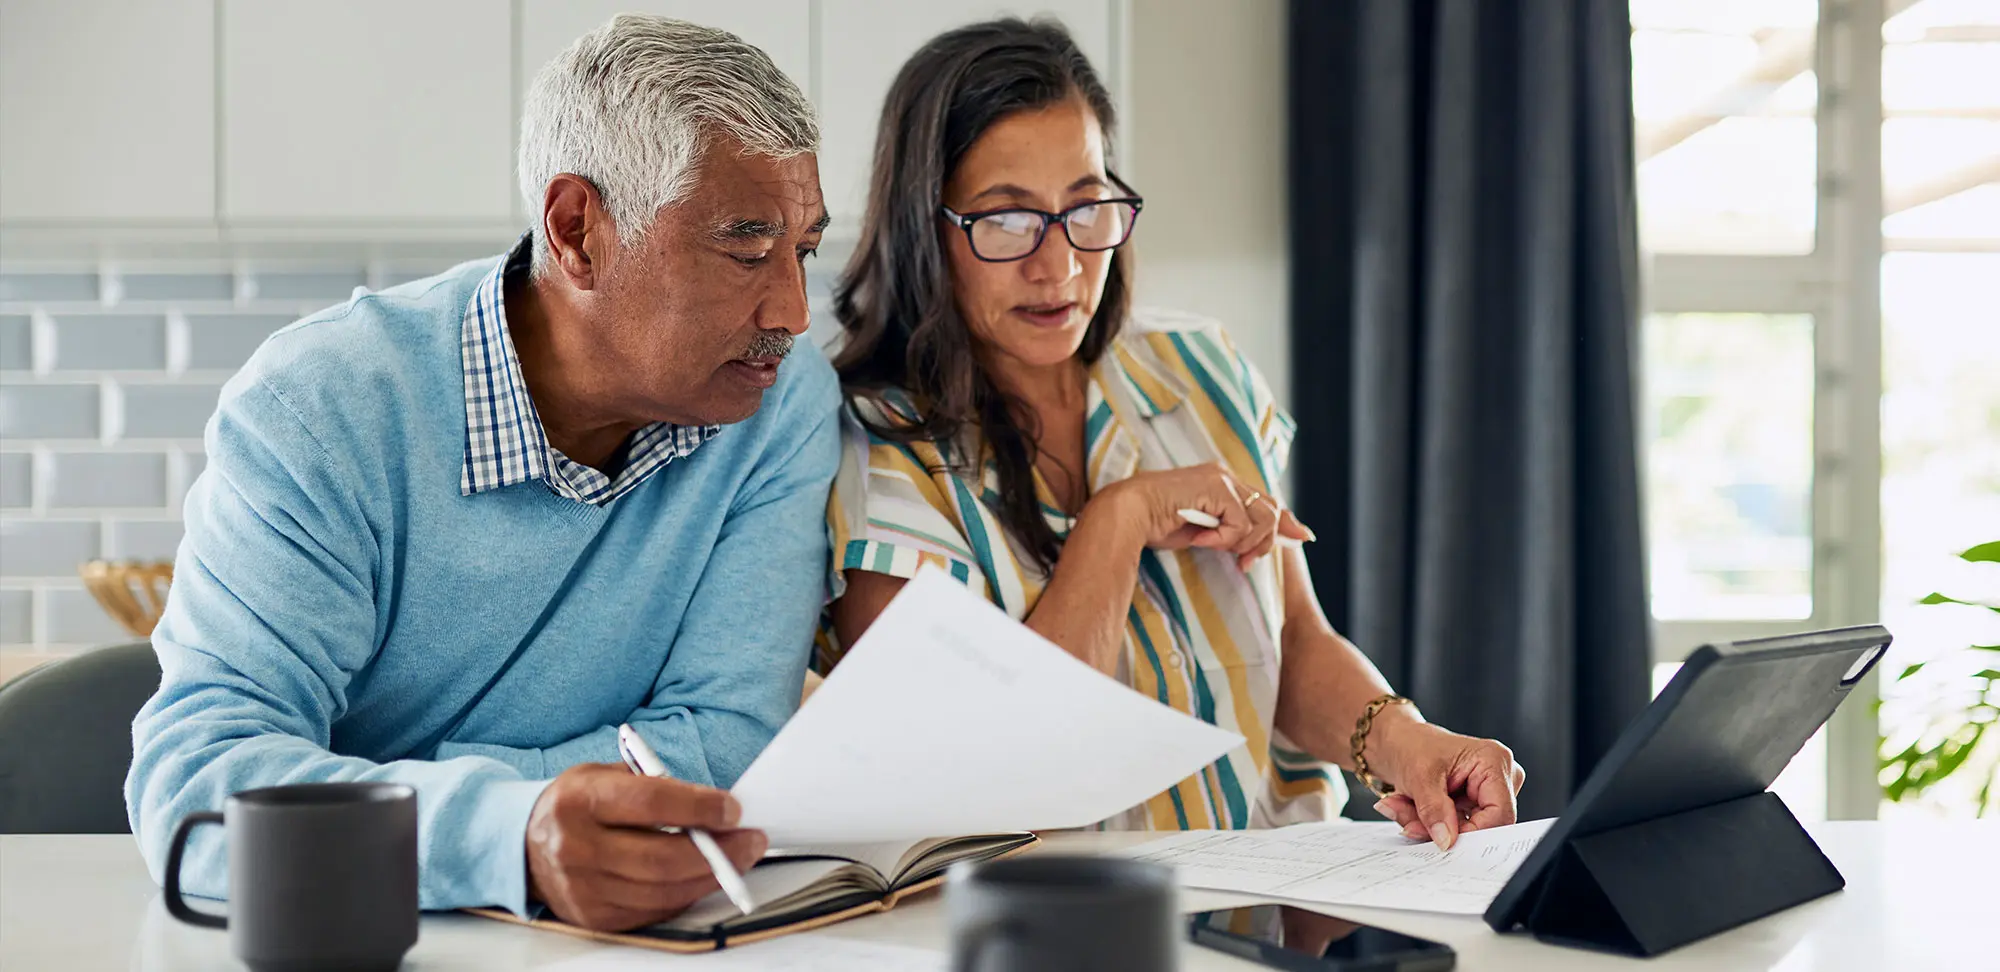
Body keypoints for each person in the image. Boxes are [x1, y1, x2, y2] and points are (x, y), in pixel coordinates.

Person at [126, 16, 836, 932]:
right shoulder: (323, 407)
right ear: (579, 231)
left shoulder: (776, 400)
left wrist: (411, 803)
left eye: (804, 250)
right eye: (747, 248)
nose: (795, 309)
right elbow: (199, 787)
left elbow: (725, 746)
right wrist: (512, 834)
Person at [823, 19, 1525, 845]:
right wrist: (1118, 522)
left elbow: (1296, 641)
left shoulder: (1199, 367)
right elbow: (1004, 771)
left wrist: (1409, 744)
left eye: (1086, 206)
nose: (1061, 266)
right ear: (924, 226)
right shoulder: (873, 453)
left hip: (1255, 930)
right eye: (1006, 221)